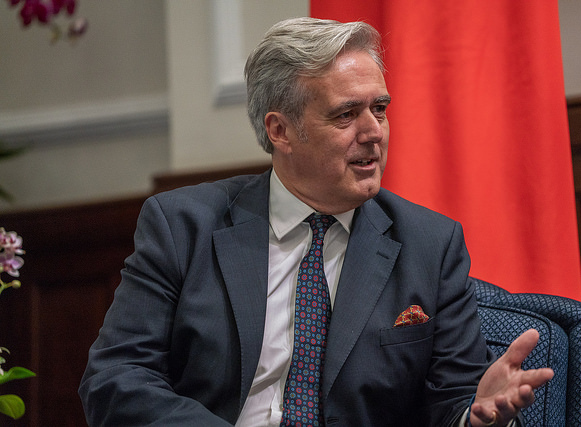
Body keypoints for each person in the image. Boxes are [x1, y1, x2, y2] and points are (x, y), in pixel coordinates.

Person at [79, 17, 553, 427]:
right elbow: (116, 378)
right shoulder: (183, 227)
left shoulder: (430, 244)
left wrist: (474, 416)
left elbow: (454, 399)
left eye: (380, 109)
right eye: (346, 114)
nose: (373, 132)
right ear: (280, 130)